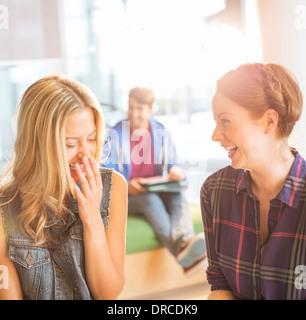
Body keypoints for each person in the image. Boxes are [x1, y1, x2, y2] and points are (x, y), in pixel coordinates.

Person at [0, 75, 127, 300]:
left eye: (92, 138)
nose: (86, 154)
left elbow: (108, 294)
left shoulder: (114, 187)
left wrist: (92, 219)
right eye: (70, 144)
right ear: (37, 143)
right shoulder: (4, 208)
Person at [201, 62, 306, 300]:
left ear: (269, 121)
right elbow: (220, 285)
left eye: (225, 120)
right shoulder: (214, 190)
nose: (215, 135)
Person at [103, 87, 207, 276]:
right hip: (129, 194)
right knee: (150, 200)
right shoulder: (115, 134)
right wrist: (126, 185)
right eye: (130, 107)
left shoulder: (160, 131)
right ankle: (183, 249)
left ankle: (184, 243)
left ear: (150, 109)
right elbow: (108, 173)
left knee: (177, 192)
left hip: (156, 187)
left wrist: (177, 170)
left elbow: (175, 163)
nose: (133, 113)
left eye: (139, 109)